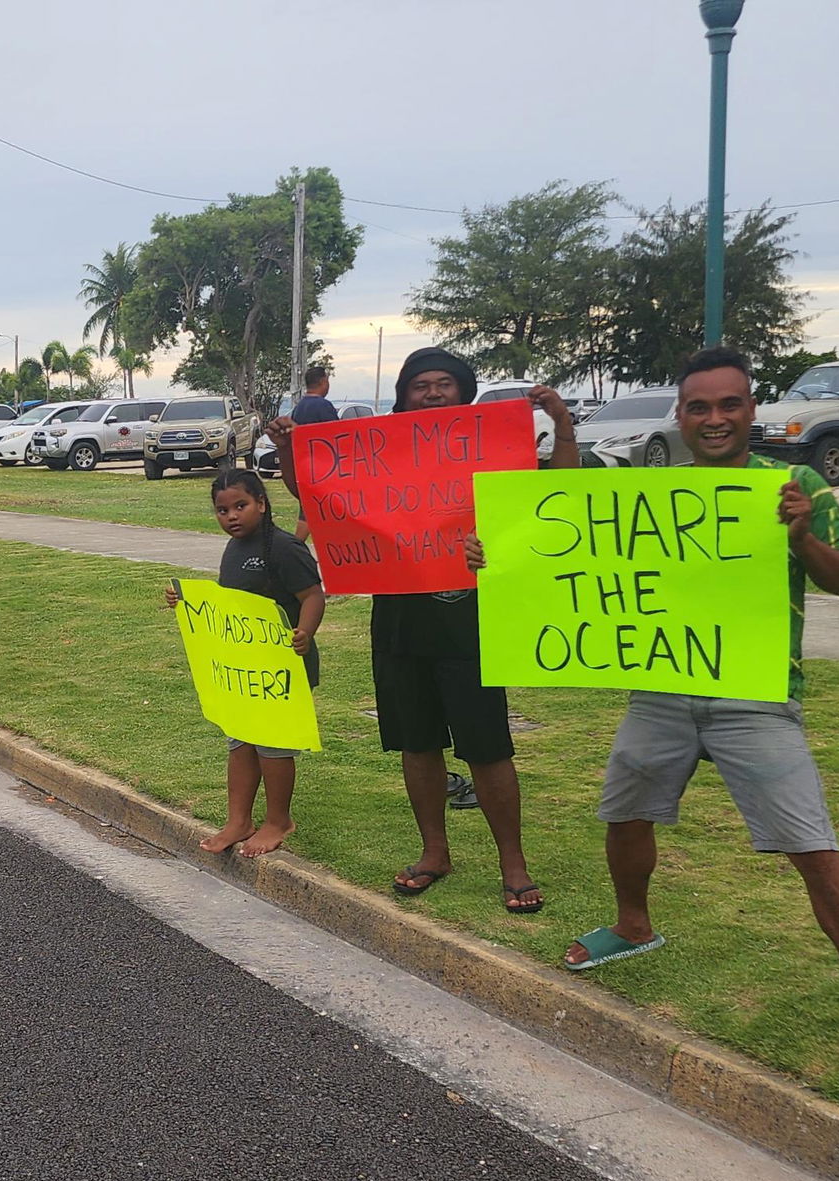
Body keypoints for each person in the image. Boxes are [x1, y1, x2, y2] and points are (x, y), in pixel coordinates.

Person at [498, 345, 839, 970]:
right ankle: (633, 926)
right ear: (680, 416)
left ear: (750, 409)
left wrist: (803, 539)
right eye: (700, 407)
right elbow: (562, 518)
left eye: (729, 404)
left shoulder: (796, 486)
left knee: (813, 849)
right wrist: (494, 552)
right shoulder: (655, 490)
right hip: (661, 688)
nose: (715, 418)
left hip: (757, 694)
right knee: (625, 813)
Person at [270, 347, 577, 913]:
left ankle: (514, 862)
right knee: (418, 744)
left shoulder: (490, 451)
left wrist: (560, 426)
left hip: (471, 622)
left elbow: (556, 497)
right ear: (404, 394)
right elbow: (316, 497)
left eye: (445, 384)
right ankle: (434, 851)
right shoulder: (379, 451)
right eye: (421, 386)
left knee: (488, 748)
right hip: (401, 623)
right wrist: (291, 450)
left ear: (464, 393)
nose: (433, 394)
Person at [163, 468, 325, 858]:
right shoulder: (234, 549)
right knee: (240, 741)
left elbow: (313, 595)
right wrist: (188, 603)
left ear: (262, 504)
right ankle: (239, 820)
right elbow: (232, 605)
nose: (231, 516)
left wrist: (304, 632)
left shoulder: (284, 548)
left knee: (272, 745)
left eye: (240, 506)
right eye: (222, 510)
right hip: (242, 670)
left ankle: (278, 820)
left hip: (282, 666)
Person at [286, 366, 338, 540]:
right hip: (324, 471)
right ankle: (296, 547)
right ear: (323, 382)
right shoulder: (324, 406)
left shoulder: (299, 407)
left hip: (304, 468)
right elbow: (337, 437)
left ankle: (298, 546)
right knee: (313, 512)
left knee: (307, 510)